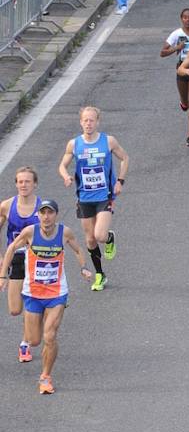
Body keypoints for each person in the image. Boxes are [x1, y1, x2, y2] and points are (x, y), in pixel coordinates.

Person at [0, 200, 91, 394]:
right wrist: (3, 275)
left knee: (49, 335)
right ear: (38, 215)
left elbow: (77, 249)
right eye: (43, 213)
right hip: (33, 293)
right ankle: (28, 333)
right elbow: (11, 249)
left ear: (55, 215)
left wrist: (83, 267)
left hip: (56, 293)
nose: (46, 216)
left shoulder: (64, 233)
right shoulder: (30, 233)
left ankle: (46, 376)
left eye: (50, 213)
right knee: (34, 340)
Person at [58, 105, 128, 289]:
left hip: (104, 195)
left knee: (99, 235)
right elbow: (62, 165)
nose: (88, 123)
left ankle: (109, 238)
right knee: (89, 239)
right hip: (84, 197)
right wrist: (66, 176)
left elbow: (125, 158)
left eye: (92, 120)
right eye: (85, 120)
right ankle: (100, 275)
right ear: (81, 122)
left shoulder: (108, 141)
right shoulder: (74, 144)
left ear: (98, 122)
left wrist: (120, 181)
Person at [0, 167, 40, 364]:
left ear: (35, 184)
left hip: (36, 262)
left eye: (28, 181)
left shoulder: (43, 208)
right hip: (15, 259)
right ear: (16, 184)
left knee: (30, 306)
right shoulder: (7, 206)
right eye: (20, 182)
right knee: (15, 309)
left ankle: (25, 343)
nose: (24, 185)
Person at [160, 6, 189, 145]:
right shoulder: (176, 34)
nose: (187, 20)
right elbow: (162, 52)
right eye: (185, 17)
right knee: (185, 101)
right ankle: (183, 102)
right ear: (181, 19)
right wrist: (177, 48)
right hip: (182, 69)